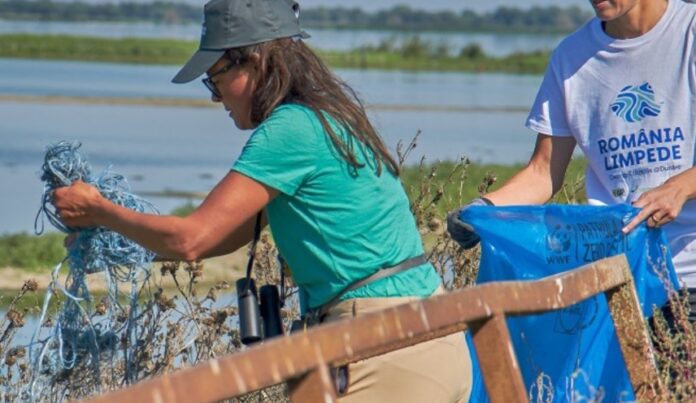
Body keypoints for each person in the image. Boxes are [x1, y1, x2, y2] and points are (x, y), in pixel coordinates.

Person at [53, 0, 472, 401]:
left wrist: (99, 210)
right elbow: (222, 237)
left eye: (214, 77)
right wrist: (117, 247)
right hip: (433, 336)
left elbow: (191, 239)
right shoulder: (329, 117)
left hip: (384, 343)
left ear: (253, 60)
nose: (215, 96)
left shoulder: (290, 128)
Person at [448, 0, 696, 321]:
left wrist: (681, 187)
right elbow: (543, 171)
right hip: (616, 280)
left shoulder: (688, 31)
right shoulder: (570, 57)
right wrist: (483, 208)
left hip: (690, 278)